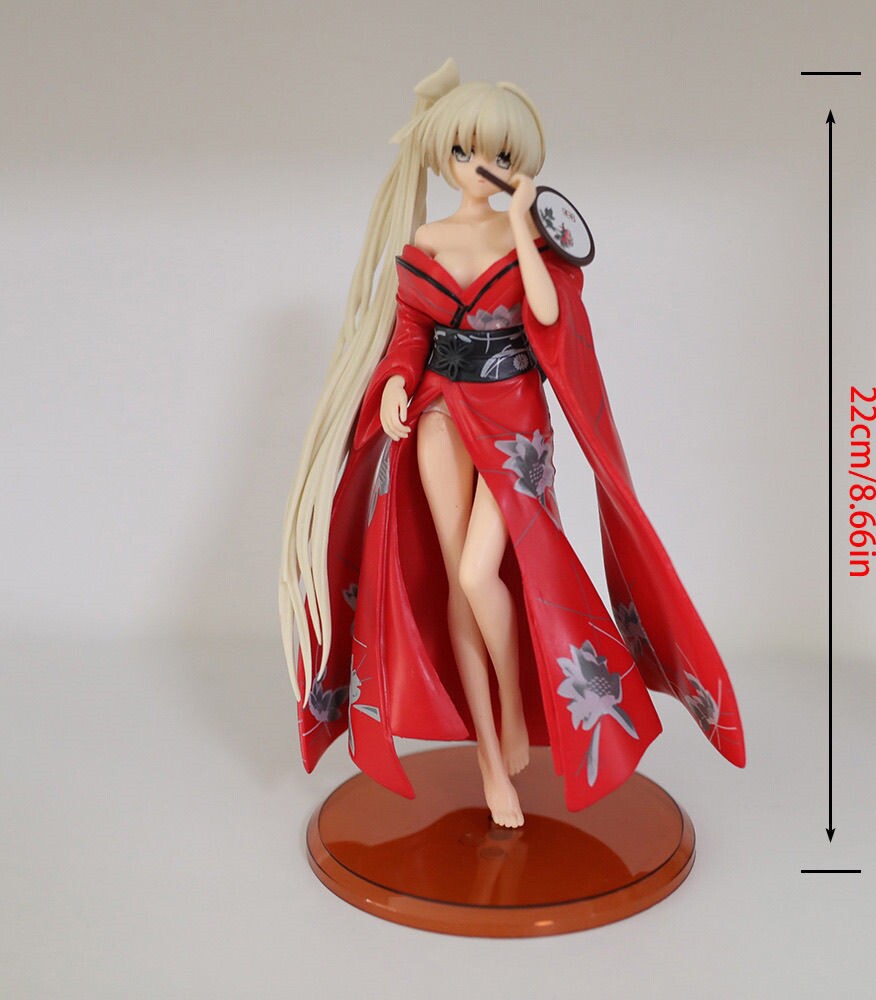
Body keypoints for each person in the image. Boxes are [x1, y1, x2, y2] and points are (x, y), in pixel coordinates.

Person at [279, 58, 745, 828]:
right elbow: (411, 331)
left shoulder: (530, 234)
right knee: (457, 581)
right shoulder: (428, 237)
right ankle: (492, 756)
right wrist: (394, 383)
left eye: (496, 154)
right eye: (464, 151)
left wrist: (525, 224)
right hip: (437, 410)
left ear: (518, 163)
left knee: (479, 570)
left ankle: (513, 705)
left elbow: (547, 315)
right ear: (444, 154)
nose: (478, 167)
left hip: (513, 417)